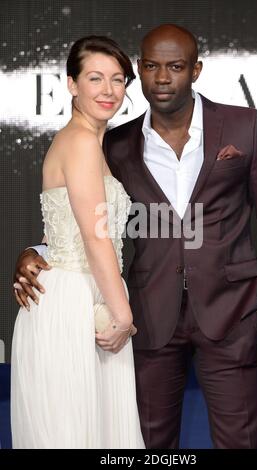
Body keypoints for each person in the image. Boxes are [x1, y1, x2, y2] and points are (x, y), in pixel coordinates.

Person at [14, 24, 257, 449]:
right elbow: (82, 221)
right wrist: (35, 251)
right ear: (141, 71)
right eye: (150, 66)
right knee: (145, 446)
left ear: (196, 70)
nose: (162, 78)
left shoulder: (243, 126)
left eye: (176, 66)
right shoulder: (115, 142)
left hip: (231, 312)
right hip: (146, 318)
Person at [11, 35, 145, 449]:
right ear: (71, 84)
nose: (108, 90)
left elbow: (58, 232)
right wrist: (123, 316)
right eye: (95, 78)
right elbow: (94, 237)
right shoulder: (83, 142)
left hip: (82, 296)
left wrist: (38, 251)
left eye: (118, 79)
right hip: (77, 305)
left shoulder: (86, 141)